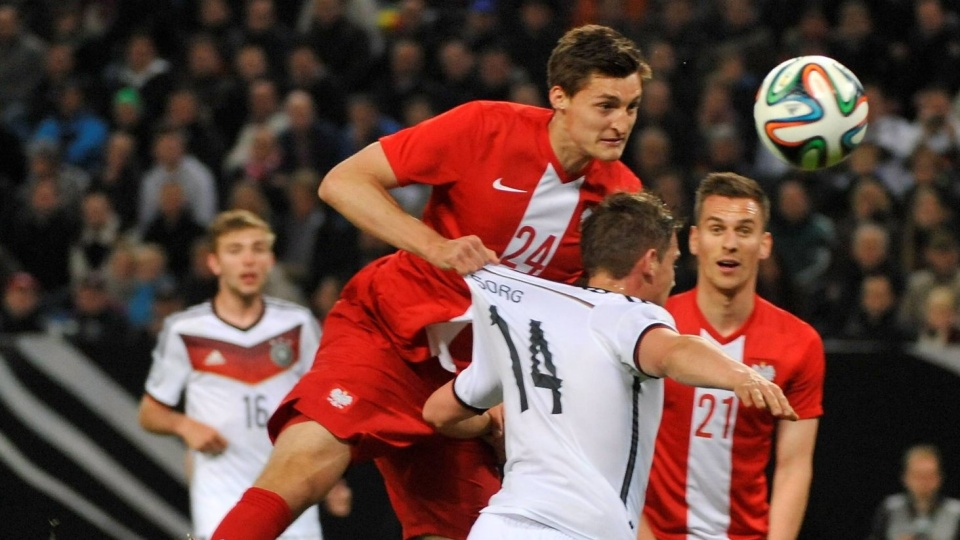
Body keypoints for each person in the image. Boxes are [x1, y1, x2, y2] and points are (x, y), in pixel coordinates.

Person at [213, 24, 649, 540]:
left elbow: (596, 316)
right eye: (606, 106)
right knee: (307, 462)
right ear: (560, 97)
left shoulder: (622, 195)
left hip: (471, 390)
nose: (621, 123)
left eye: (632, 107)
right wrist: (435, 246)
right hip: (390, 334)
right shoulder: (484, 127)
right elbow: (343, 182)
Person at [421, 192, 798, 540]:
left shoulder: (527, 317)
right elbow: (674, 352)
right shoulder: (630, 315)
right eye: (673, 262)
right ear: (651, 262)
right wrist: (738, 374)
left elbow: (438, 413)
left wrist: (491, 422)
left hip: (498, 527)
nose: (672, 276)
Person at [641, 172, 826, 540]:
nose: (730, 243)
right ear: (694, 240)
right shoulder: (651, 327)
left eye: (744, 230)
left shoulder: (799, 343)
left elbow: (793, 467)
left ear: (764, 244)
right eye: (716, 228)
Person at [137, 210, 324, 540]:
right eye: (235, 251)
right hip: (220, 494)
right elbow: (150, 412)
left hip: (291, 489)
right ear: (214, 263)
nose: (248, 260)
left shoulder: (298, 325)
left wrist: (331, 477)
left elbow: (323, 403)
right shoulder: (185, 330)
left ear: (270, 260)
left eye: (257, 249)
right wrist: (184, 425)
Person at [867, 444, 960, 540]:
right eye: (918, 475)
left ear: (939, 478)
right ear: (905, 477)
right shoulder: (890, 509)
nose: (924, 482)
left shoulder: (956, 512)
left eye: (929, 475)